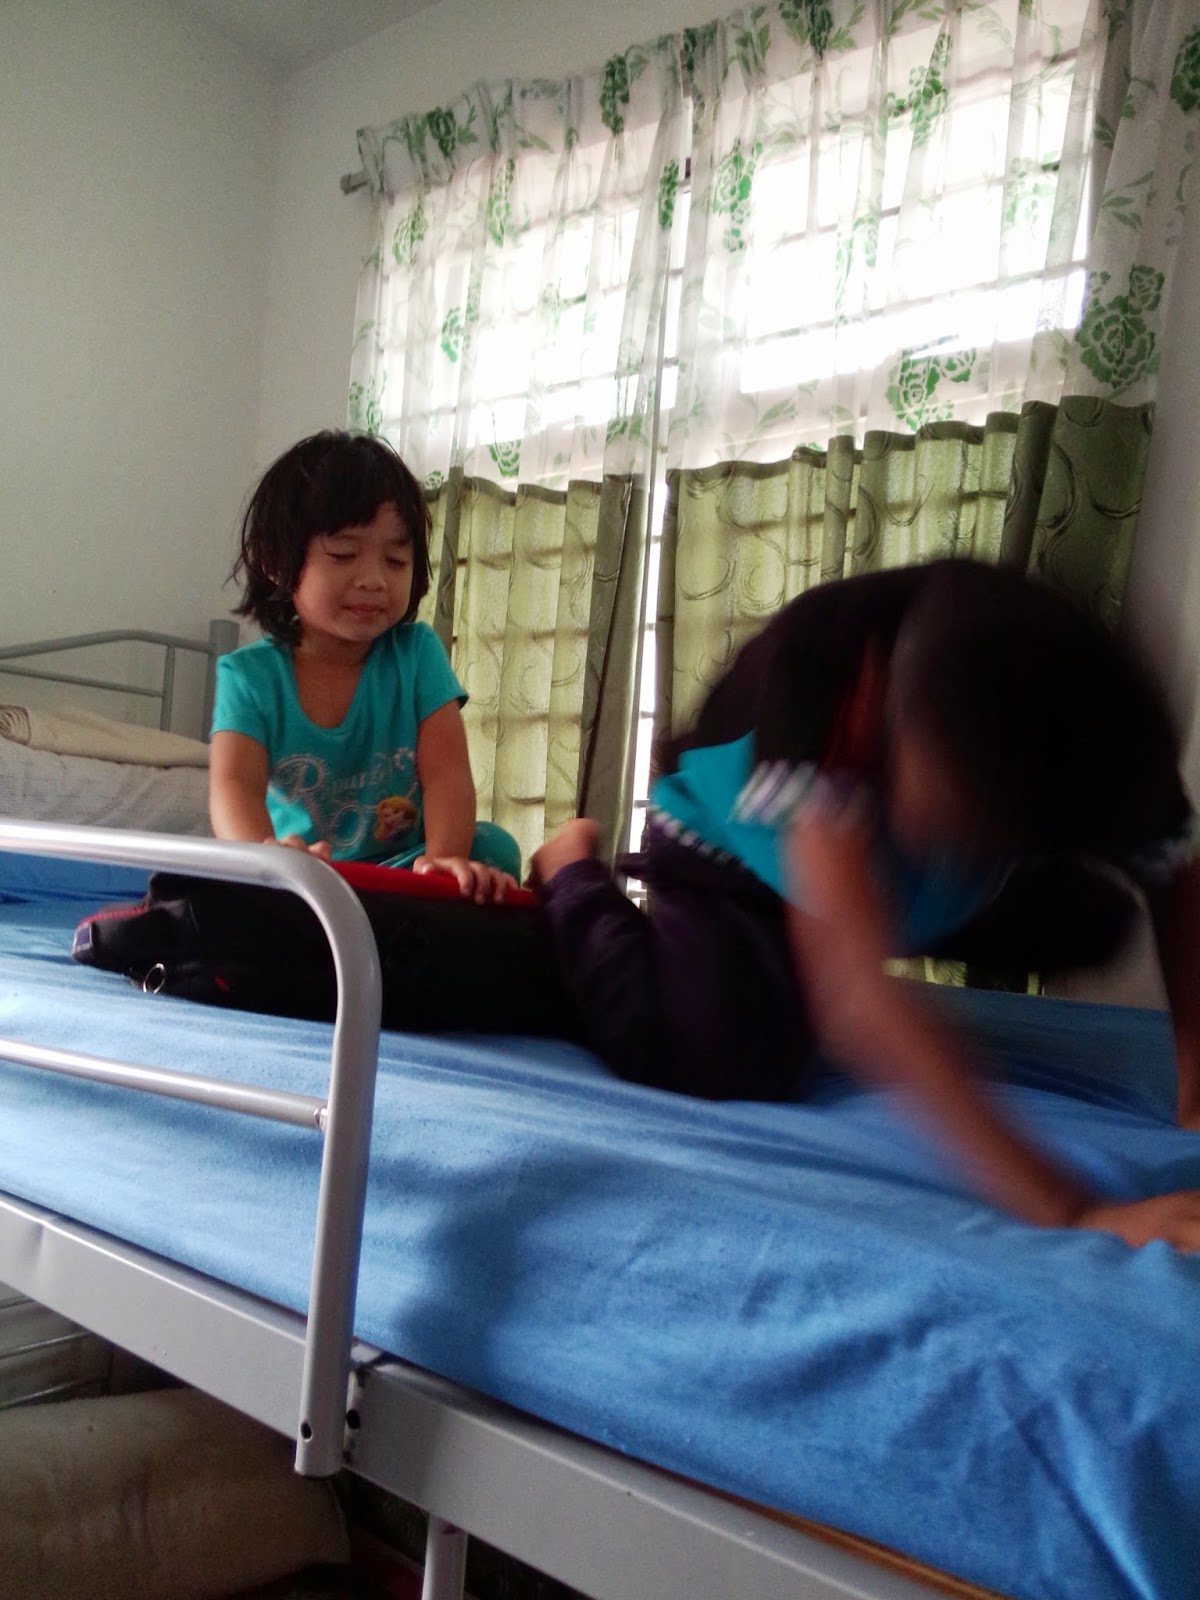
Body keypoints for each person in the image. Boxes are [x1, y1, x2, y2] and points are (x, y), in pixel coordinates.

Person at [531, 558, 1200, 1250]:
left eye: (973, 840)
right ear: (876, 707)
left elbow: (1177, 877)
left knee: (1096, 922)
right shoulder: (817, 684)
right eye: (941, 825)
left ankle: (935, 873)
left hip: (906, 890)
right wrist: (1077, 1211)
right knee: (714, 1055)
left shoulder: (1097, 731)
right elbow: (853, 998)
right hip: (731, 852)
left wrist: (1194, 1099)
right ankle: (570, 866)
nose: (949, 843)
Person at [209, 430, 519, 902]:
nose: (374, 580)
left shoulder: (417, 653)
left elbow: (447, 774)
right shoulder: (248, 677)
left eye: (395, 561)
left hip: (403, 870)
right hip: (306, 873)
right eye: (344, 555)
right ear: (275, 561)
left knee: (494, 848)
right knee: (223, 881)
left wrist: (443, 862)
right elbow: (234, 785)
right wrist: (266, 858)